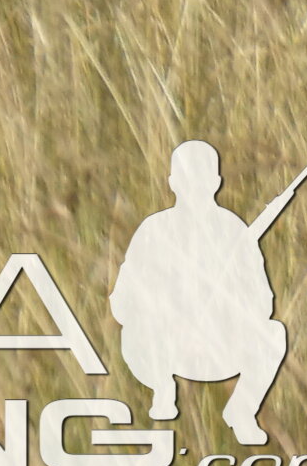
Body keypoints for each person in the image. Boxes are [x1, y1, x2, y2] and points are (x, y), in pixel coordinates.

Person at [117, 141, 291, 448]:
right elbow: (123, 304)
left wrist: (224, 308)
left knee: (274, 334)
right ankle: (162, 390)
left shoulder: (234, 232)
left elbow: (263, 303)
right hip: (162, 349)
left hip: (218, 348)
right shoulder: (153, 230)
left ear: (215, 183)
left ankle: (241, 411)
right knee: (139, 329)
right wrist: (172, 312)